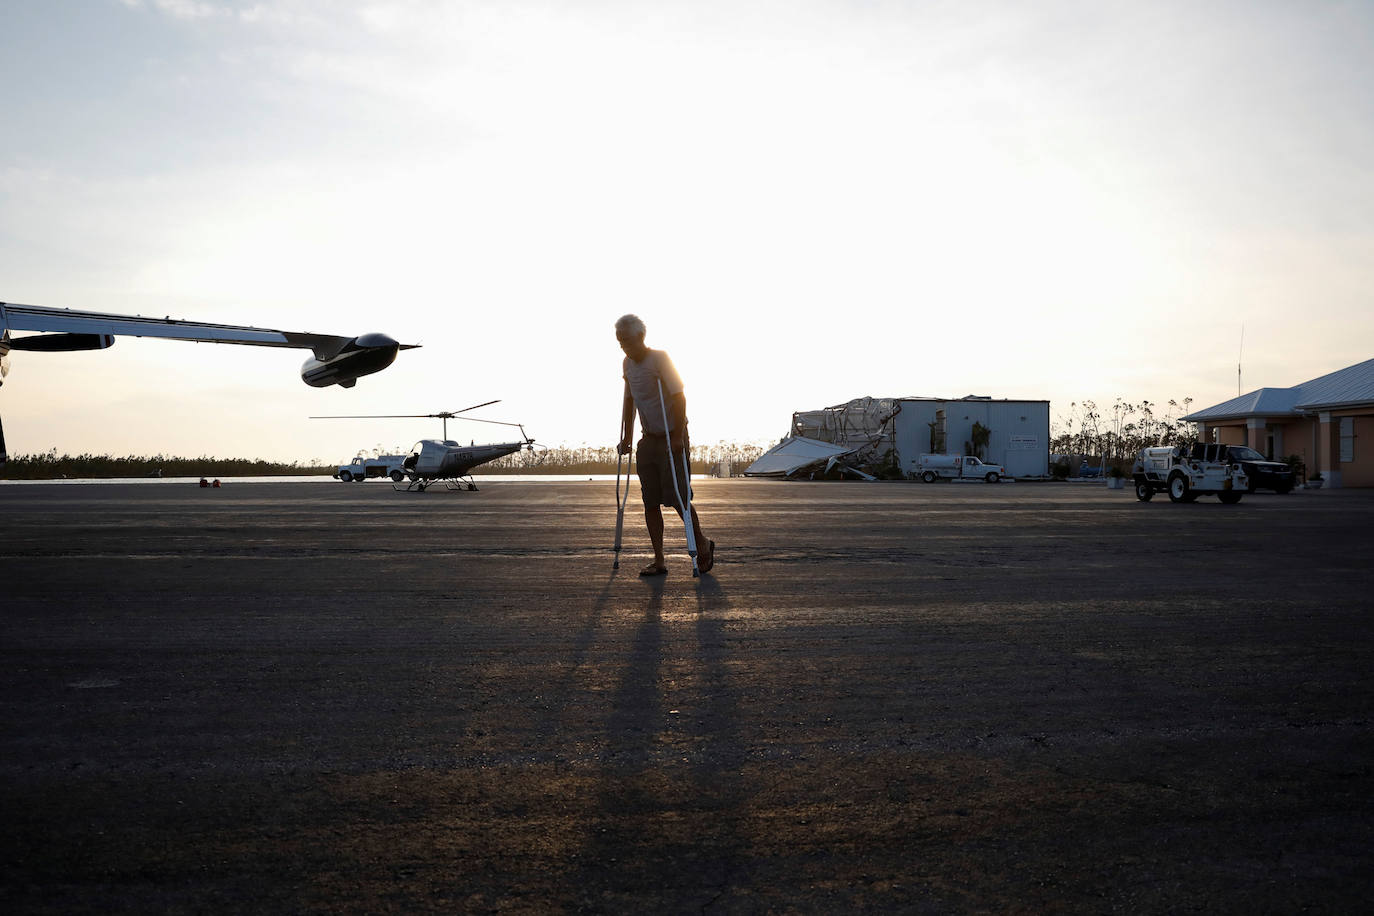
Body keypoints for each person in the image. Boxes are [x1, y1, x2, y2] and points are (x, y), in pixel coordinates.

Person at [615, 314, 714, 576]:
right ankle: (659, 560)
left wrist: (678, 435)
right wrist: (627, 437)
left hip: (672, 436)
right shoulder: (627, 364)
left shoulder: (660, 359)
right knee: (650, 501)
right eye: (620, 342)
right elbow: (629, 401)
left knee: (678, 497)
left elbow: (679, 397)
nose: (623, 347)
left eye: (627, 341)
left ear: (640, 337)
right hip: (648, 438)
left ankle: (702, 544)